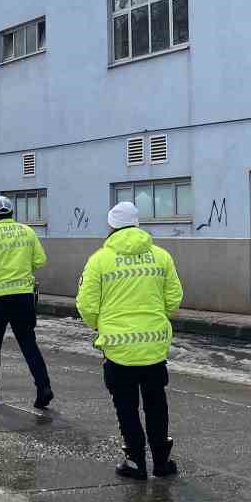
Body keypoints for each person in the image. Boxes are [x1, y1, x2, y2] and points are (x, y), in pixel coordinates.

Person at [76, 201, 184, 480]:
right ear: (137, 224)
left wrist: (100, 326)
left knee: (125, 405)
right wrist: (156, 318)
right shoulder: (161, 256)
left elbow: (86, 304)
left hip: (117, 348)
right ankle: (162, 462)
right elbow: (174, 298)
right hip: (154, 346)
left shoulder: (99, 259)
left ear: (111, 226)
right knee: (156, 403)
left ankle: (135, 461)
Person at [0, 195, 53, 408]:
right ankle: (44, 387)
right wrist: (23, 271)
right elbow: (40, 259)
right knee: (28, 344)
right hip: (23, 298)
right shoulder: (28, 232)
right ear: (12, 213)